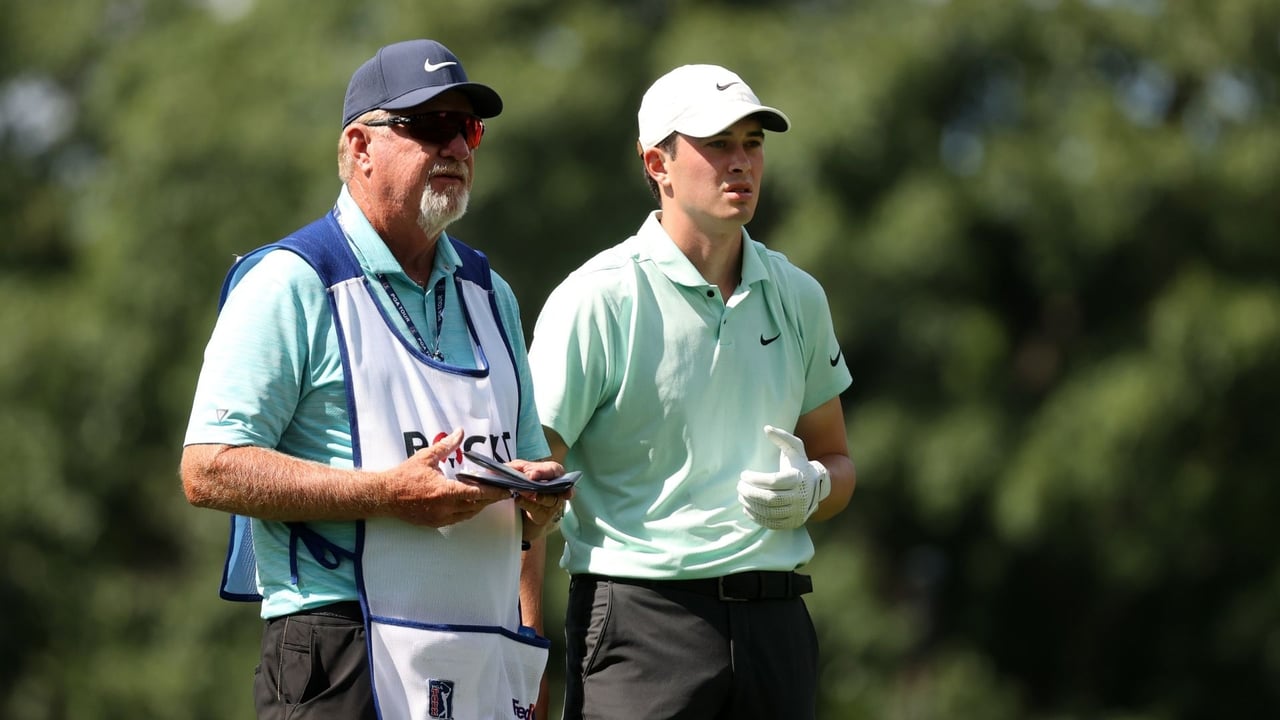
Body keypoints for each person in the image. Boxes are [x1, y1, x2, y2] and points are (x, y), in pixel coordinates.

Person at [180, 39, 567, 720]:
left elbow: (529, 478)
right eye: (426, 126)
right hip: (341, 649)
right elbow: (207, 469)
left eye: (466, 127)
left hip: (483, 655)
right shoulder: (289, 282)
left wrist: (537, 507)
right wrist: (386, 494)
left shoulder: (492, 292)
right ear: (359, 147)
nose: (455, 147)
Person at [527, 63, 857, 719]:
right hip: (640, 622)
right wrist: (526, 650)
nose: (741, 163)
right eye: (717, 145)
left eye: (753, 143)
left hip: (778, 623)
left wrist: (815, 487)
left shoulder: (799, 296)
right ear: (659, 164)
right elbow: (528, 495)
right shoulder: (599, 298)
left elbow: (838, 459)